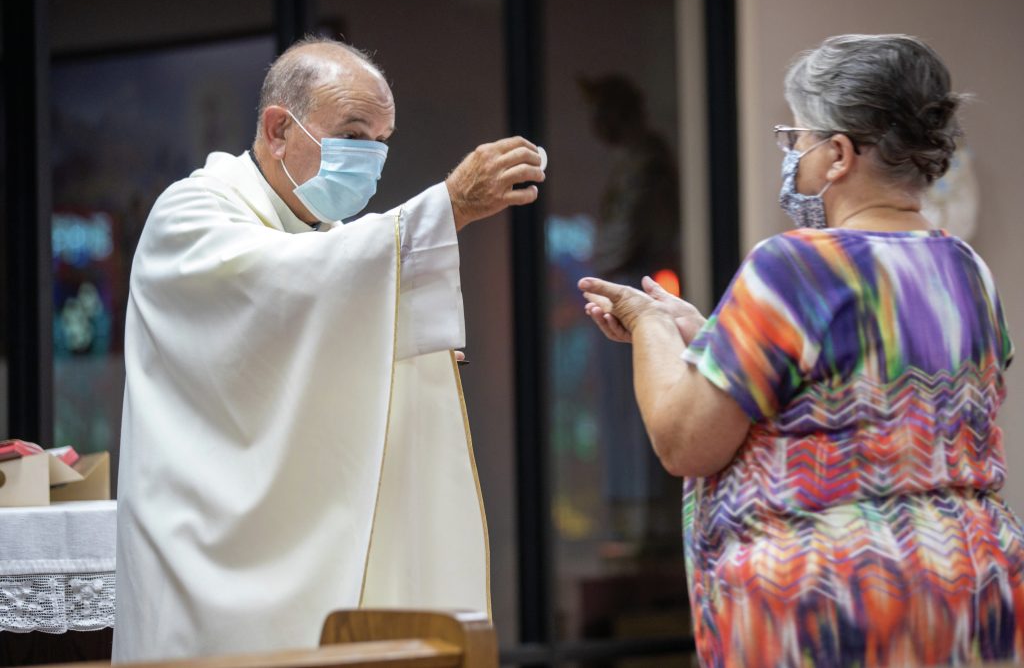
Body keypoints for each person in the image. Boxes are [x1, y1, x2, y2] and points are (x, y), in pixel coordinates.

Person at [578, 34, 1022, 666]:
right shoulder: (967, 270)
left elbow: (686, 441)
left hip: (828, 610)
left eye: (797, 138)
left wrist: (647, 322)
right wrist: (713, 338)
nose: (791, 156)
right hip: (969, 598)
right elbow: (851, 394)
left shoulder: (795, 266)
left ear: (838, 154)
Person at [113, 36, 544, 662]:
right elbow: (284, 288)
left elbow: (324, 289)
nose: (372, 158)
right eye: (353, 134)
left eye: (382, 141)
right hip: (205, 547)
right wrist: (447, 206)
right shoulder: (191, 214)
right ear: (278, 128)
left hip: (302, 539)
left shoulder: (327, 238)